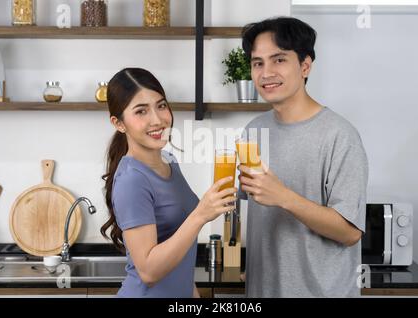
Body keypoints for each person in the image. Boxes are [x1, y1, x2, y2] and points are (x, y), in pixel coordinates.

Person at [238, 17, 369, 297]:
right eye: (257, 63)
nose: (266, 72)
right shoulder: (253, 131)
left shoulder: (340, 135)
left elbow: (350, 233)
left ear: (305, 65)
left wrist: (283, 196)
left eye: (279, 60)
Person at [100, 68, 237, 298]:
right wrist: (201, 215)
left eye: (161, 105)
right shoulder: (132, 179)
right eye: (141, 111)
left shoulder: (169, 162)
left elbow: (180, 259)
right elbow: (149, 272)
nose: (157, 119)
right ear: (119, 123)